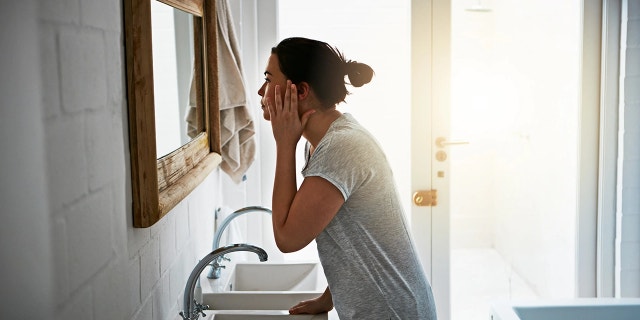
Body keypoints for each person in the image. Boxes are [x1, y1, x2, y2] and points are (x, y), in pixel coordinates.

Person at [258, 37, 438, 320]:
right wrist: (329, 298)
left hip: (392, 313)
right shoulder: (325, 142)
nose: (261, 90)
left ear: (301, 90)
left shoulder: (340, 147)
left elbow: (286, 238)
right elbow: (358, 237)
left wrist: (284, 145)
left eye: (269, 79)